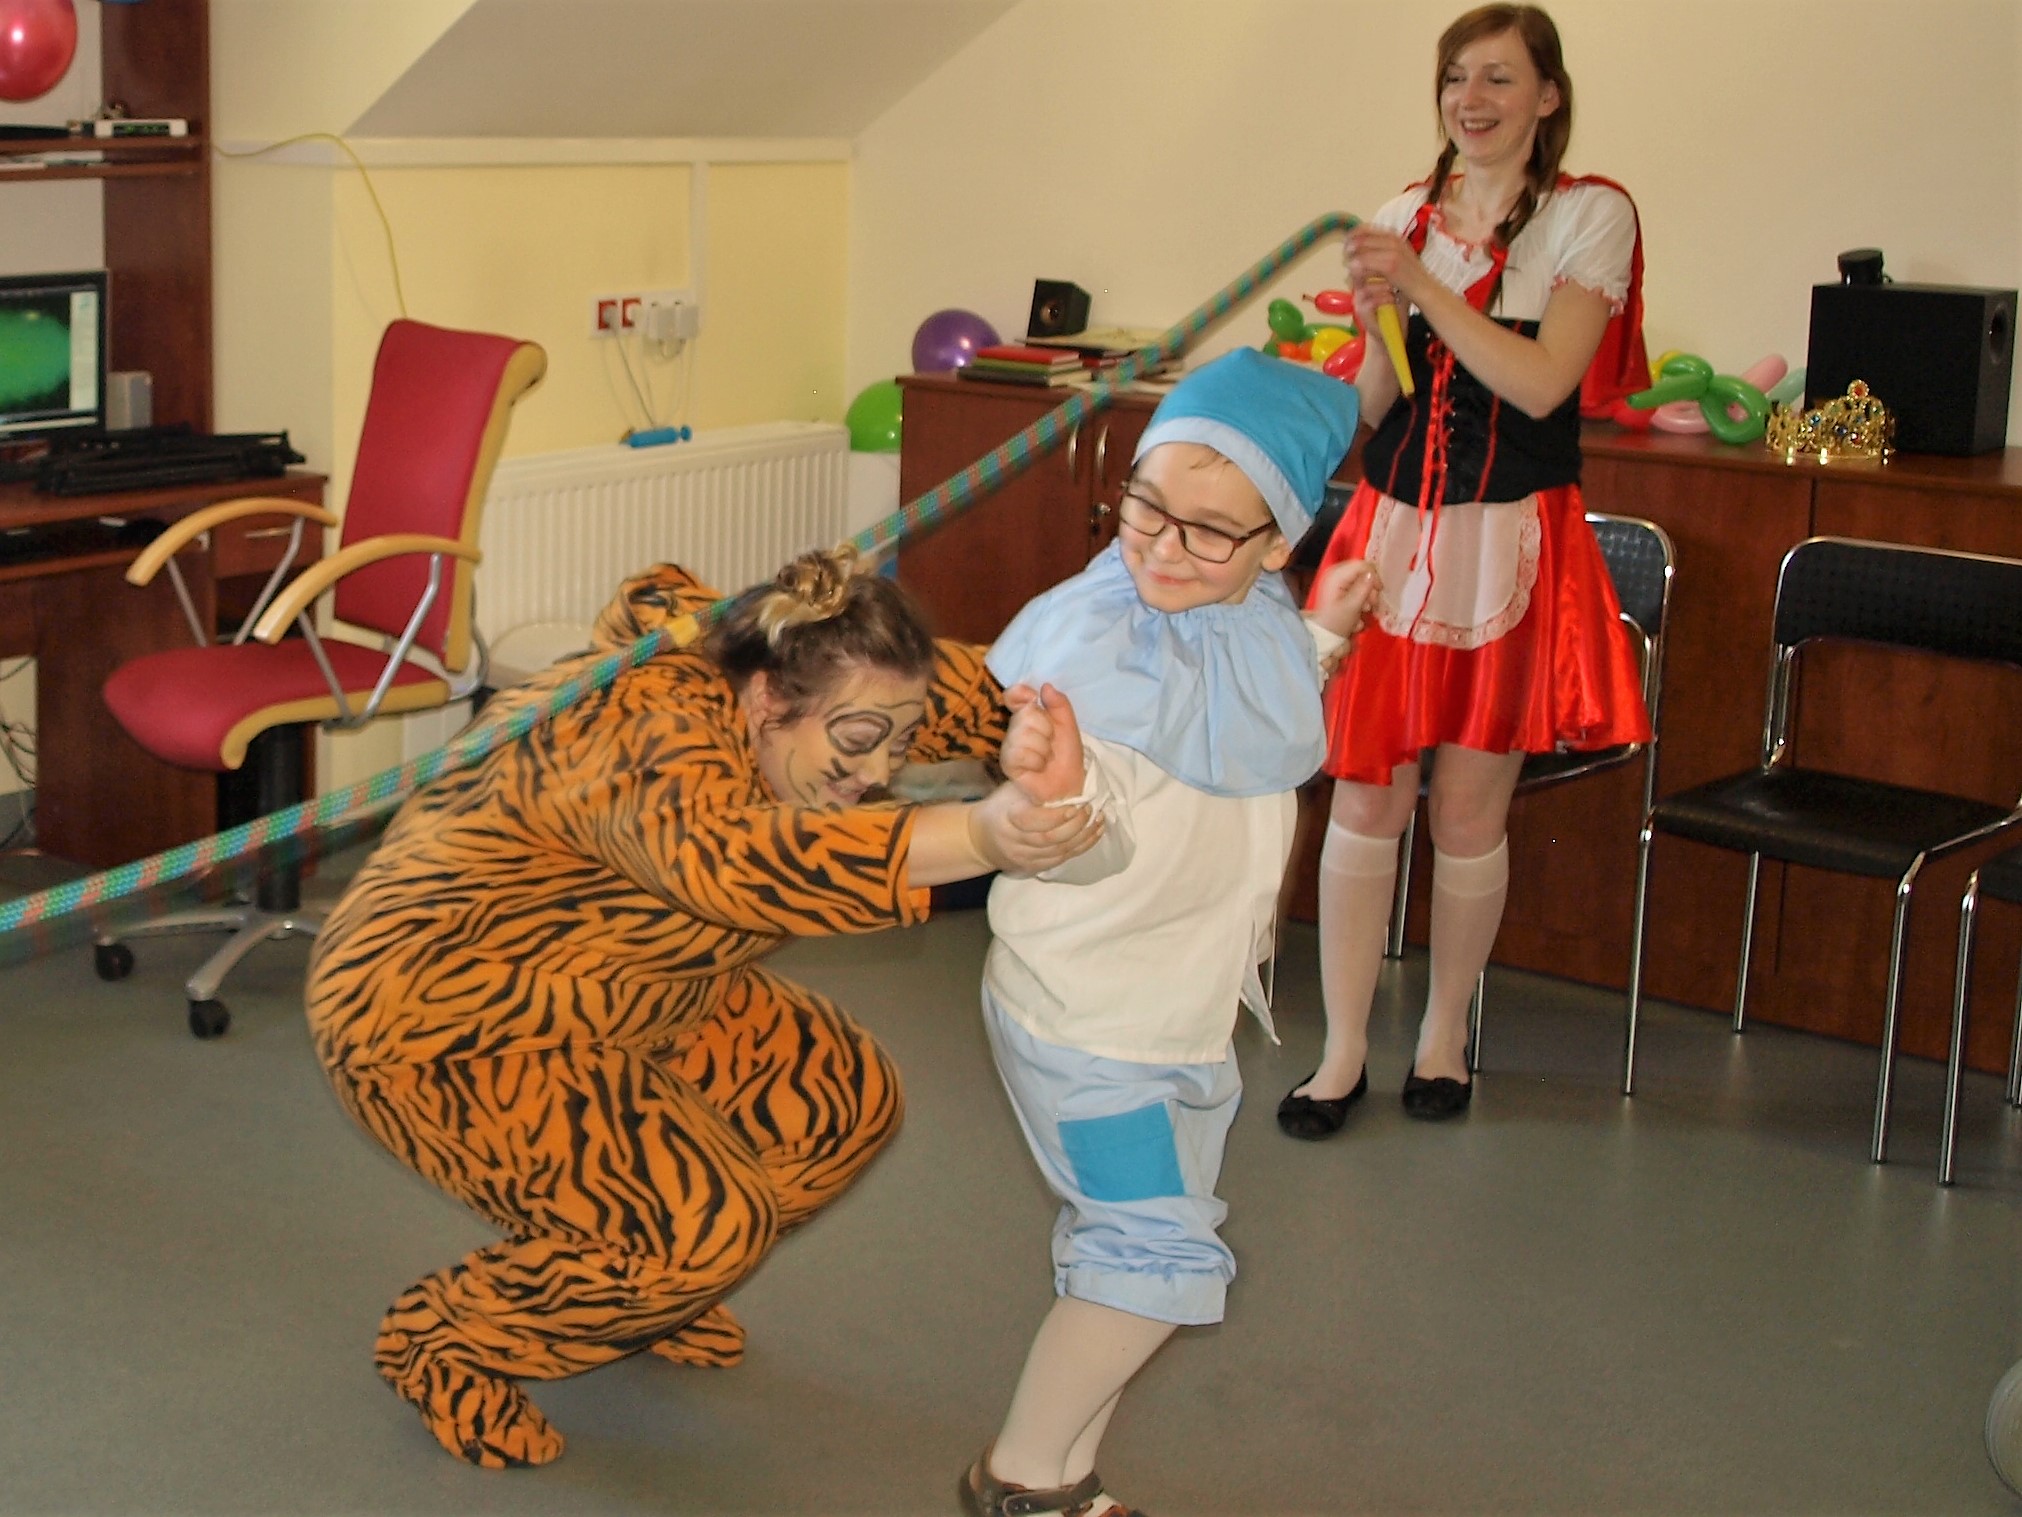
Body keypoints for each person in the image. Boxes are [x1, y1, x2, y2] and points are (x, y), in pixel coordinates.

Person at [303, 548, 1097, 1469]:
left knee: (841, 1100)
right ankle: (448, 1340)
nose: (881, 770)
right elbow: (739, 860)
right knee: (702, 1229)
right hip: (440, 1017)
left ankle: (630, 1283)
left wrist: (1059, 700)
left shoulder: (806, 652)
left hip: (628, 983)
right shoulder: (645, 731)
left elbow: (981, 684)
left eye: (900, 741)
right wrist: (978, 834)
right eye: (858, 741)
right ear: (765, 701)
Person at [960, 348, 1380, 1517]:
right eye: (1145, 507)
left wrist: (1323, 639)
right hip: (1091, 1023)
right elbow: (1088, 851)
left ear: (1279, 545)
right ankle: (1019, 1479)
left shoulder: (1245, 612)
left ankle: (1064, 1479)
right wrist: (1058, 791)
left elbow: (1247, 712)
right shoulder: (1098, 647)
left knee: (1123, 1250)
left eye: (1209, 530)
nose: (1160, 547)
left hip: (1183, 1015)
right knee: (1151, 1259)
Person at [1276, 1, 1652, 1137]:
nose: (1470, 101)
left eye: (1497, 78)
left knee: (1470, 810)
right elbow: (1377, 399)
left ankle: (1443, 1038)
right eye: (1454, 79)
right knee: (1365, 795)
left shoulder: (1591, 216)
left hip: (1510, 539)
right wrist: (1366, 331)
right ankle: (1342, 1050)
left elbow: (1543, 384)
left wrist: (1426, 284)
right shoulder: (1405, 213)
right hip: (1392, 533)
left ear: (1547, 95)